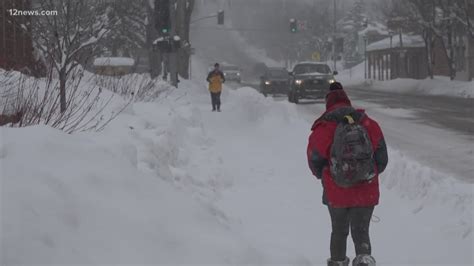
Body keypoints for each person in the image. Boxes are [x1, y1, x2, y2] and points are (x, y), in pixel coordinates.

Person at [307, 82, 388, 266]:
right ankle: (364, 260)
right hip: (365, 191)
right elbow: (382, 159)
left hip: (336, 191)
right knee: (361, 232)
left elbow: (314, 161)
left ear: (328, 104)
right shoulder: (368, 123)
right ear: (348, 102)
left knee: (339, 231)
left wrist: (329, 176)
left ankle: (337, 262)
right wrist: (366, 174)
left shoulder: (323, 128)